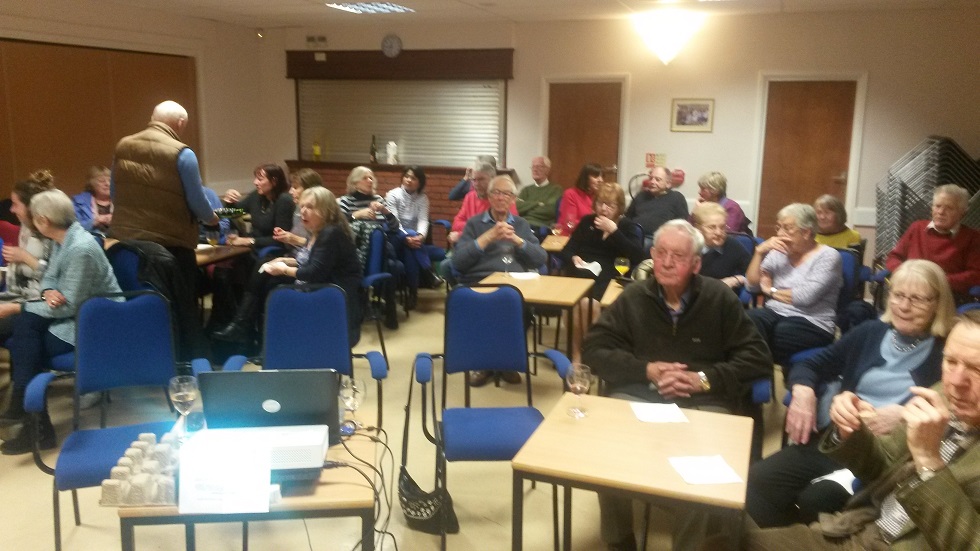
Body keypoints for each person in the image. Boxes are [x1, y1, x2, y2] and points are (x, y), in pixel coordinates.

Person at [583, 219, 772, 551]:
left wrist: (703, 379)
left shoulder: (718, 298)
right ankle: (619, 540)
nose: (667, 262)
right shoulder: (635, 296)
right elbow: (594, 350)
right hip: (640, 393)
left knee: (700, 470)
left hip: (703, 399)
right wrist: (647, 370)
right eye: (661, 253)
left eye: (678, 256)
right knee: (607, 453)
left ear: (696, 264)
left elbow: (758, 359)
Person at [740, 308, 980, 551]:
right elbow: (882, 466)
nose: (955, 381)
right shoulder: (942, 396)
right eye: (950, 361)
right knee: (728, 537)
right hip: (859, 532)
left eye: (977, 369)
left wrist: (928, 463)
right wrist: (850, 432)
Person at [745, 260, 956, 529]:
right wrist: (803, 391)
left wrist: (904, 415)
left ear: (938, 303)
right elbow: (812, 364)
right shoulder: (871, 332)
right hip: (841, 440)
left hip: (888, 458)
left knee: (816, 499)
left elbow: (960, 411)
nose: (903, 306)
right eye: (898, 295)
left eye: (917, 299)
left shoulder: (949, 351)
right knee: (758, 480)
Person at [0, 190, 122, 454]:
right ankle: (32, 420)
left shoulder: (80, 248)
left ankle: (30, 417)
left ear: (43, 220)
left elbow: (69, 305)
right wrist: (47, 292)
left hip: (94, 323)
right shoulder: (61, 240)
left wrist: (15, 307)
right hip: (73, 314)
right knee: (24, 331)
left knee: (24, 336)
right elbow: (50, 279)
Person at [109, 100, 219, 361]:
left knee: (141, 303)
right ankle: (185, 361)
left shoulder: (123, 146)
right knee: (181, 307)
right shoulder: (182, 153)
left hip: (128, 245)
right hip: (171, 245)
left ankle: (146, 358)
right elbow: (196, 200)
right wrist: (212, 219)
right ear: (180, 123)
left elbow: (115, 192)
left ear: (153, 117)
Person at [211, 187, 363, 346]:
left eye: (310, 207)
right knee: (265, 270)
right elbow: (315, 261)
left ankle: (252, 334)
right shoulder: (318, 231)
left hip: (331, 293)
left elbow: (313, 272)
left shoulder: (330, 233)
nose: (303, 211)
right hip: (321, 284)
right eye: (302, 206)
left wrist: (283, 269)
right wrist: (284, 261)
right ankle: (248, 332)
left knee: (272, 289)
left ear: (326, 211)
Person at [452, 175, 546, 386]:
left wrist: (517, 241)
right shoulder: (474, 223)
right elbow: (458, 261)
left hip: (515, 284)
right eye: (496, 192)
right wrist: (488, 237)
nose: (501, 197)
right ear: (489, 196)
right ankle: (484, 363)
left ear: (513, 199)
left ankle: (505, 362)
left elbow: (540, 258)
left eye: (506, 194)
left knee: (519, 307)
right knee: (484, 307)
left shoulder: (521, 224)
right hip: (479, 282)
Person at [745, 203, 842, 369]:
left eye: (787, 228)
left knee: (769, 335)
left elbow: (804, 297)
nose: (779, 234)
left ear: (806, 232)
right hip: (775, 312)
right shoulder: (778, 251)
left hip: (813, 321)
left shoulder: (828, 256)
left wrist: (770, 290)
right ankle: (757, 373)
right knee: (747, 320)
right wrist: (759, 252)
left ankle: (756, 373)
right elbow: (751, 286)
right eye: (779, 227)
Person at [562, 182, 644, 362]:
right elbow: (567, 249)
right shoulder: (587, 222)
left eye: (610, 205)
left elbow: (637, 256)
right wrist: (573, 257)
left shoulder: (627, 226)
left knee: (588, 304)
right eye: (600, 203)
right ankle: (577, 354)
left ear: (619, 208)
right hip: (583, 272)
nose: (604, 209)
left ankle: (593, 352)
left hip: (611, 274)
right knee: (574, 304)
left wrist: (614, 231)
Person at [886, 183, 980, 298]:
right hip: (909, 290)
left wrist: (937, 281)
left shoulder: (972, 237)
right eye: (937, 206)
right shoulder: (917, 228)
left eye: (949, 208)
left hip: (945, 296)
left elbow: (976, 274)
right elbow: (894, 257)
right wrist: (907, 274)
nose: (941, 212)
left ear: (962, 213)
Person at [0, 170, 55, 341]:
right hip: (17, 295)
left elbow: (55, 280)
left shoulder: (52, 233)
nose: (11, 209)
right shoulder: (26, 227)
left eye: (15, 204)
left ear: (30, 208)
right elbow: (20, 277)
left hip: (37, 305)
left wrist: (25, 257)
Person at [386, 166, 444, 307]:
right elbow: (395, 222)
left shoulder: (423, 198)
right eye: (406, 176)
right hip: (396, 237)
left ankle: (413, 293)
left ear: (420, 182)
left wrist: (420, 236)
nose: (409, 180)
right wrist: (407, 237)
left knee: (410, 250)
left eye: (413, 178)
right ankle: (428, 273)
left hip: (414, 242)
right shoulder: (393, 195)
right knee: (411, 238)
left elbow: (423, 220)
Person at [222, 163, 295, 251]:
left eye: (260, 179)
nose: (255, 182)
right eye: (256, 178)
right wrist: (229, 201)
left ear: (274, 181)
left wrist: (249, 241)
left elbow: (281, 239)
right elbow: (232, 213)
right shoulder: (256, 195)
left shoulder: (284, 200)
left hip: (270, 249)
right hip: (253, 245)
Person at [692, 201, 751, 291]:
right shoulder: (689, 247)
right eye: (712, 227)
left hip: (724, 296)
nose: (718, 233)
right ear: (698, 228)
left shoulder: (732, 245)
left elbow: (753, 274)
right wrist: (718, 285)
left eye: (722, 227)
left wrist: (736, 279)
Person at [625, 166, 688, 248]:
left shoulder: (677, 198)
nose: (652, 182)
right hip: (633, 235)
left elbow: (682, 224)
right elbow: (628, 216)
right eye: (651, 178)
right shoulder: (641, 195)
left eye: (657, 179)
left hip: (657, 240)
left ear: (668, 184)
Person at [272, 167, 323, 250]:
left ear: (309, 189)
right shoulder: (297, 208)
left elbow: (320, 246)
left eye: (295, 188)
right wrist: (285, 236)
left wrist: (295, 239)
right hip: (294, 254)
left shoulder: (320, 214)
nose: (290, 192)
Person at [695, 171, 752, 235]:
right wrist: (697, 212)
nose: (699, 192)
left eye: (703, 189)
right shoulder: (705, 205)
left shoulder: (732, 208)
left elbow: (725, 235)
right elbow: (690, 230)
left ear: (715, 190)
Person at [517, 156, 562, 235]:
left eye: (539, 166)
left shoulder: (555, 190)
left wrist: (526, 207)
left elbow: (549, 210)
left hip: (541, 228)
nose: (535, 169)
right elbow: (517, 207)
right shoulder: (526, 190)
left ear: (547, 170)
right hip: (522, 225)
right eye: (533, 167)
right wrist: (537, 203)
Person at [556, 163, 603, 236]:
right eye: (596, 176)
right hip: (571, 235)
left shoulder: (599, 196)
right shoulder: (571, 194)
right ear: (586, 178)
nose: (600, 180)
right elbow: (570, 224)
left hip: (592, 235)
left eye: (602, 176)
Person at [72, 165, 113, 232]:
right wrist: (96, 221)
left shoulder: (121, 201)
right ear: (92, 184)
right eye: (102, 181)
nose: (107, 184)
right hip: (89, 238)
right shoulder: (78, 202)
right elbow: (73, 229)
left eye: (110, 180)